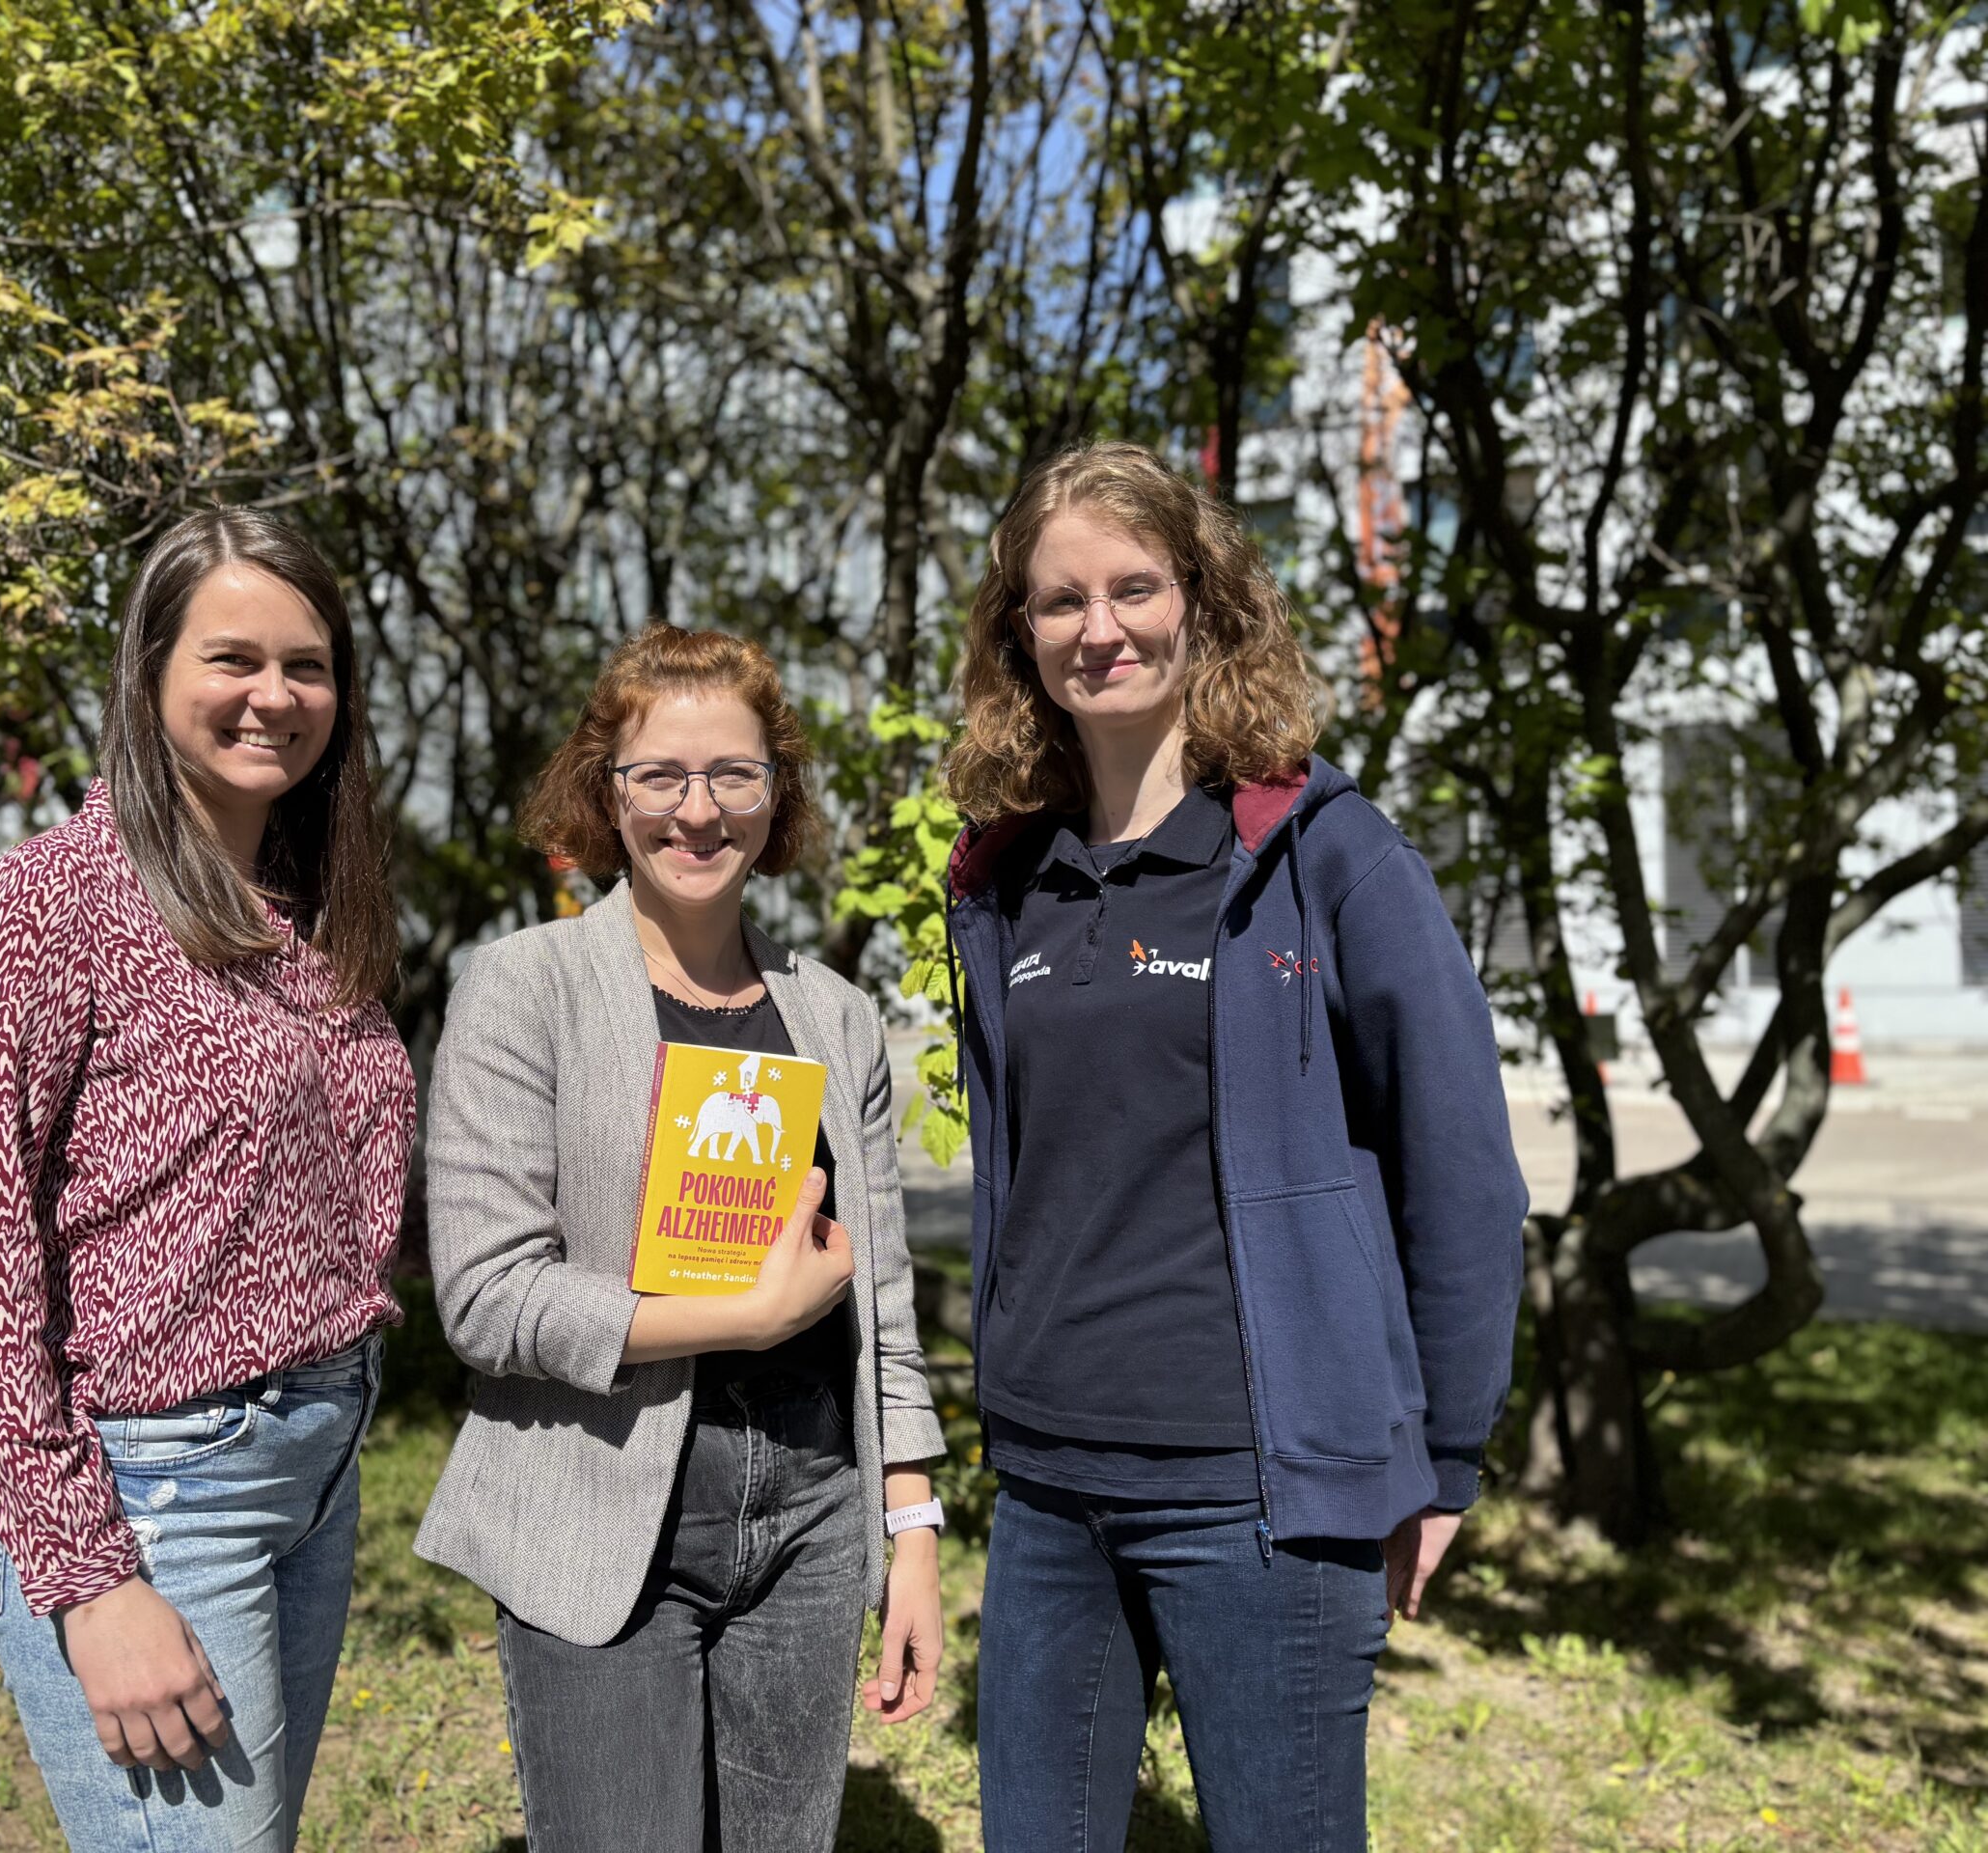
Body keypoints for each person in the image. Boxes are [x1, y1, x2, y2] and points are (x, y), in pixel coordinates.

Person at [939, 442, 1527, 1853]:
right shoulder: (1007, 879)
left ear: (1201, 601)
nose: (1101, 628)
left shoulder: (1326, 853)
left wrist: (1445, 1459)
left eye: (1133, 587)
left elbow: (1462, 1171)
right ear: (1019, 632)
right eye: (1060, 599)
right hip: (1046, 1492)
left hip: (1260, 1495)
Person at [0, 508, 415, 1852]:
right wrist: (86, 1580)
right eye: (232, 658)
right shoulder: (40, 912)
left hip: (318, 1459)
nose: (275, 697)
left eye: (309, 666)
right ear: (149, 672)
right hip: (154, 1488)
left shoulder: (306, 914)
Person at [414, 624, 947, 1853]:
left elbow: (886, 1310)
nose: (696, 812)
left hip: (813, 1518)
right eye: (659, 776)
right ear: (606, 792)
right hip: (605, 1509)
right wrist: (741, 1318)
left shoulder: (837, 1017)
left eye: (733, 777)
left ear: (777, 793)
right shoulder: (521, 988)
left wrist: (908, 1531)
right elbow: (489, 1300)